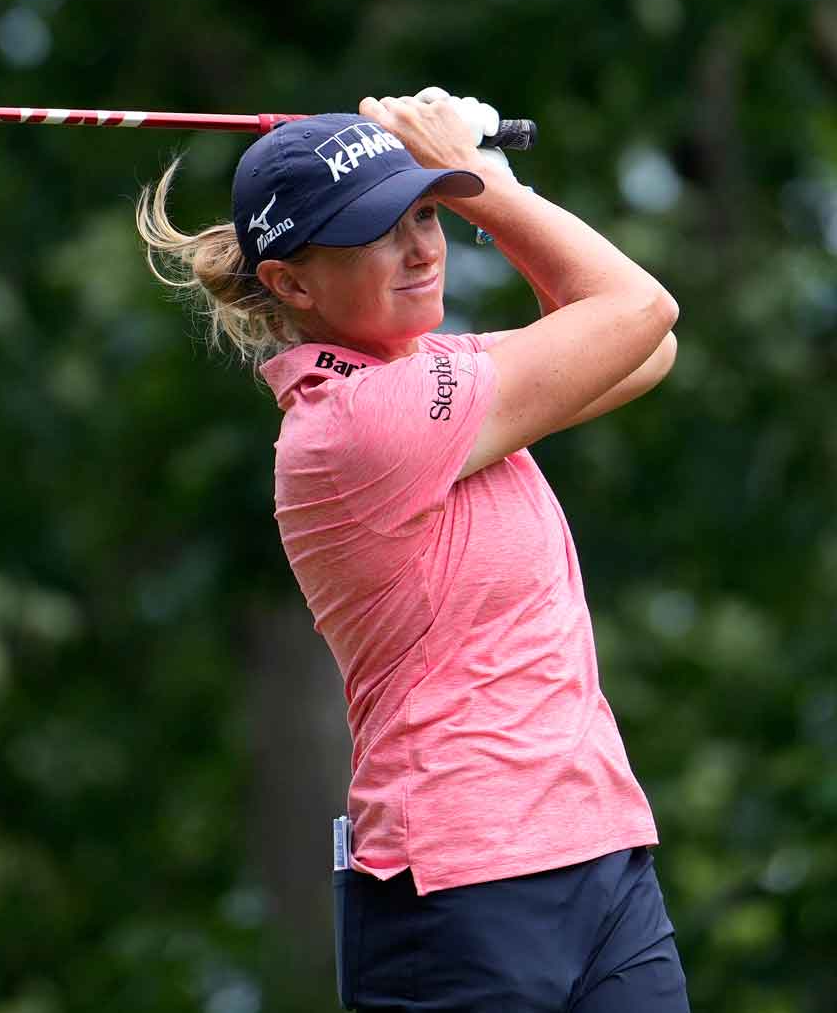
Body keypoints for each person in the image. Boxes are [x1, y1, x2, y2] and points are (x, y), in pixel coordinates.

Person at [136, 88, 687, 1012]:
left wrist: (487, 181)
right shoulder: (366, 421)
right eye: (375, 232)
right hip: (459, 891)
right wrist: (486, 189)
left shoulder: (441, 383)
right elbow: (639, 307)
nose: (423, 247)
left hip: (599, 856)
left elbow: (641, 350)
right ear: (292, 285)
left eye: (426, 212)